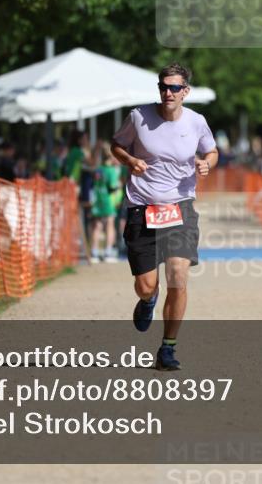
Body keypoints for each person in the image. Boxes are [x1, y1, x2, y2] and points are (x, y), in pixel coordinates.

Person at [112, 62, 217, 371]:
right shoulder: (138, 117)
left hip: (180, 207)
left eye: (174, 87)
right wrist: (129, 160)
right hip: (142, 207)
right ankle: (148, 300)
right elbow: (116, 145)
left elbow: (212, 151)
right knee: (146, 285)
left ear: (185, 91)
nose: (168, 92)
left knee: (178, 276)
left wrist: (207, 163)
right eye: (163, 87)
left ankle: (167, 348)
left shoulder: (196, 122)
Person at [90, 142, 122, 263]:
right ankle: (108, 251)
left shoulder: (98, 170)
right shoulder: (111, 171)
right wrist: (119, 186)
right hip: (108, 201)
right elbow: (112, 187)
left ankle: (94, 251)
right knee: (110, 224)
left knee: (97, 225)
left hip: (98, 199)